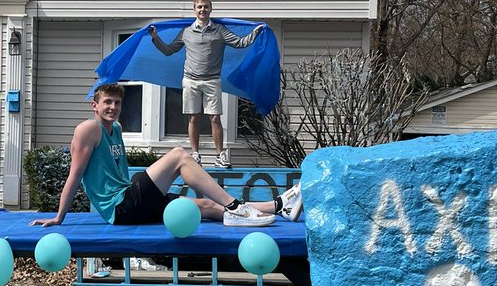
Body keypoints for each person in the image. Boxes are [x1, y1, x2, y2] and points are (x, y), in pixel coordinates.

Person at [31, 82, 299, 231]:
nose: (113, 107)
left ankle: (277, 206)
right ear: (95, 106)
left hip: (131, 200)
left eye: (118, 102)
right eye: (107, 102)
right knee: (179, 155)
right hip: (120, 207)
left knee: (204, 206)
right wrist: (59, 217)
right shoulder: (88, 129)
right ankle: (234, 206)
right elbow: (75, 175)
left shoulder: (116, 129)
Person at [148, 0, 264, 167]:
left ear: (210, 9)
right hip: (190, 80)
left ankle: (220, 156)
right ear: (194, 10)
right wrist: (155, 38)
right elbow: (169, 50)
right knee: (193, 118)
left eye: (205, 7)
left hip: (212, 81)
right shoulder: (186, 32)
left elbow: (240, 43)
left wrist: (255, 33)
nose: (202, 10)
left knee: (215, 118)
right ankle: (195, 155)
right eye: (199, 7)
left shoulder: (220, 31)